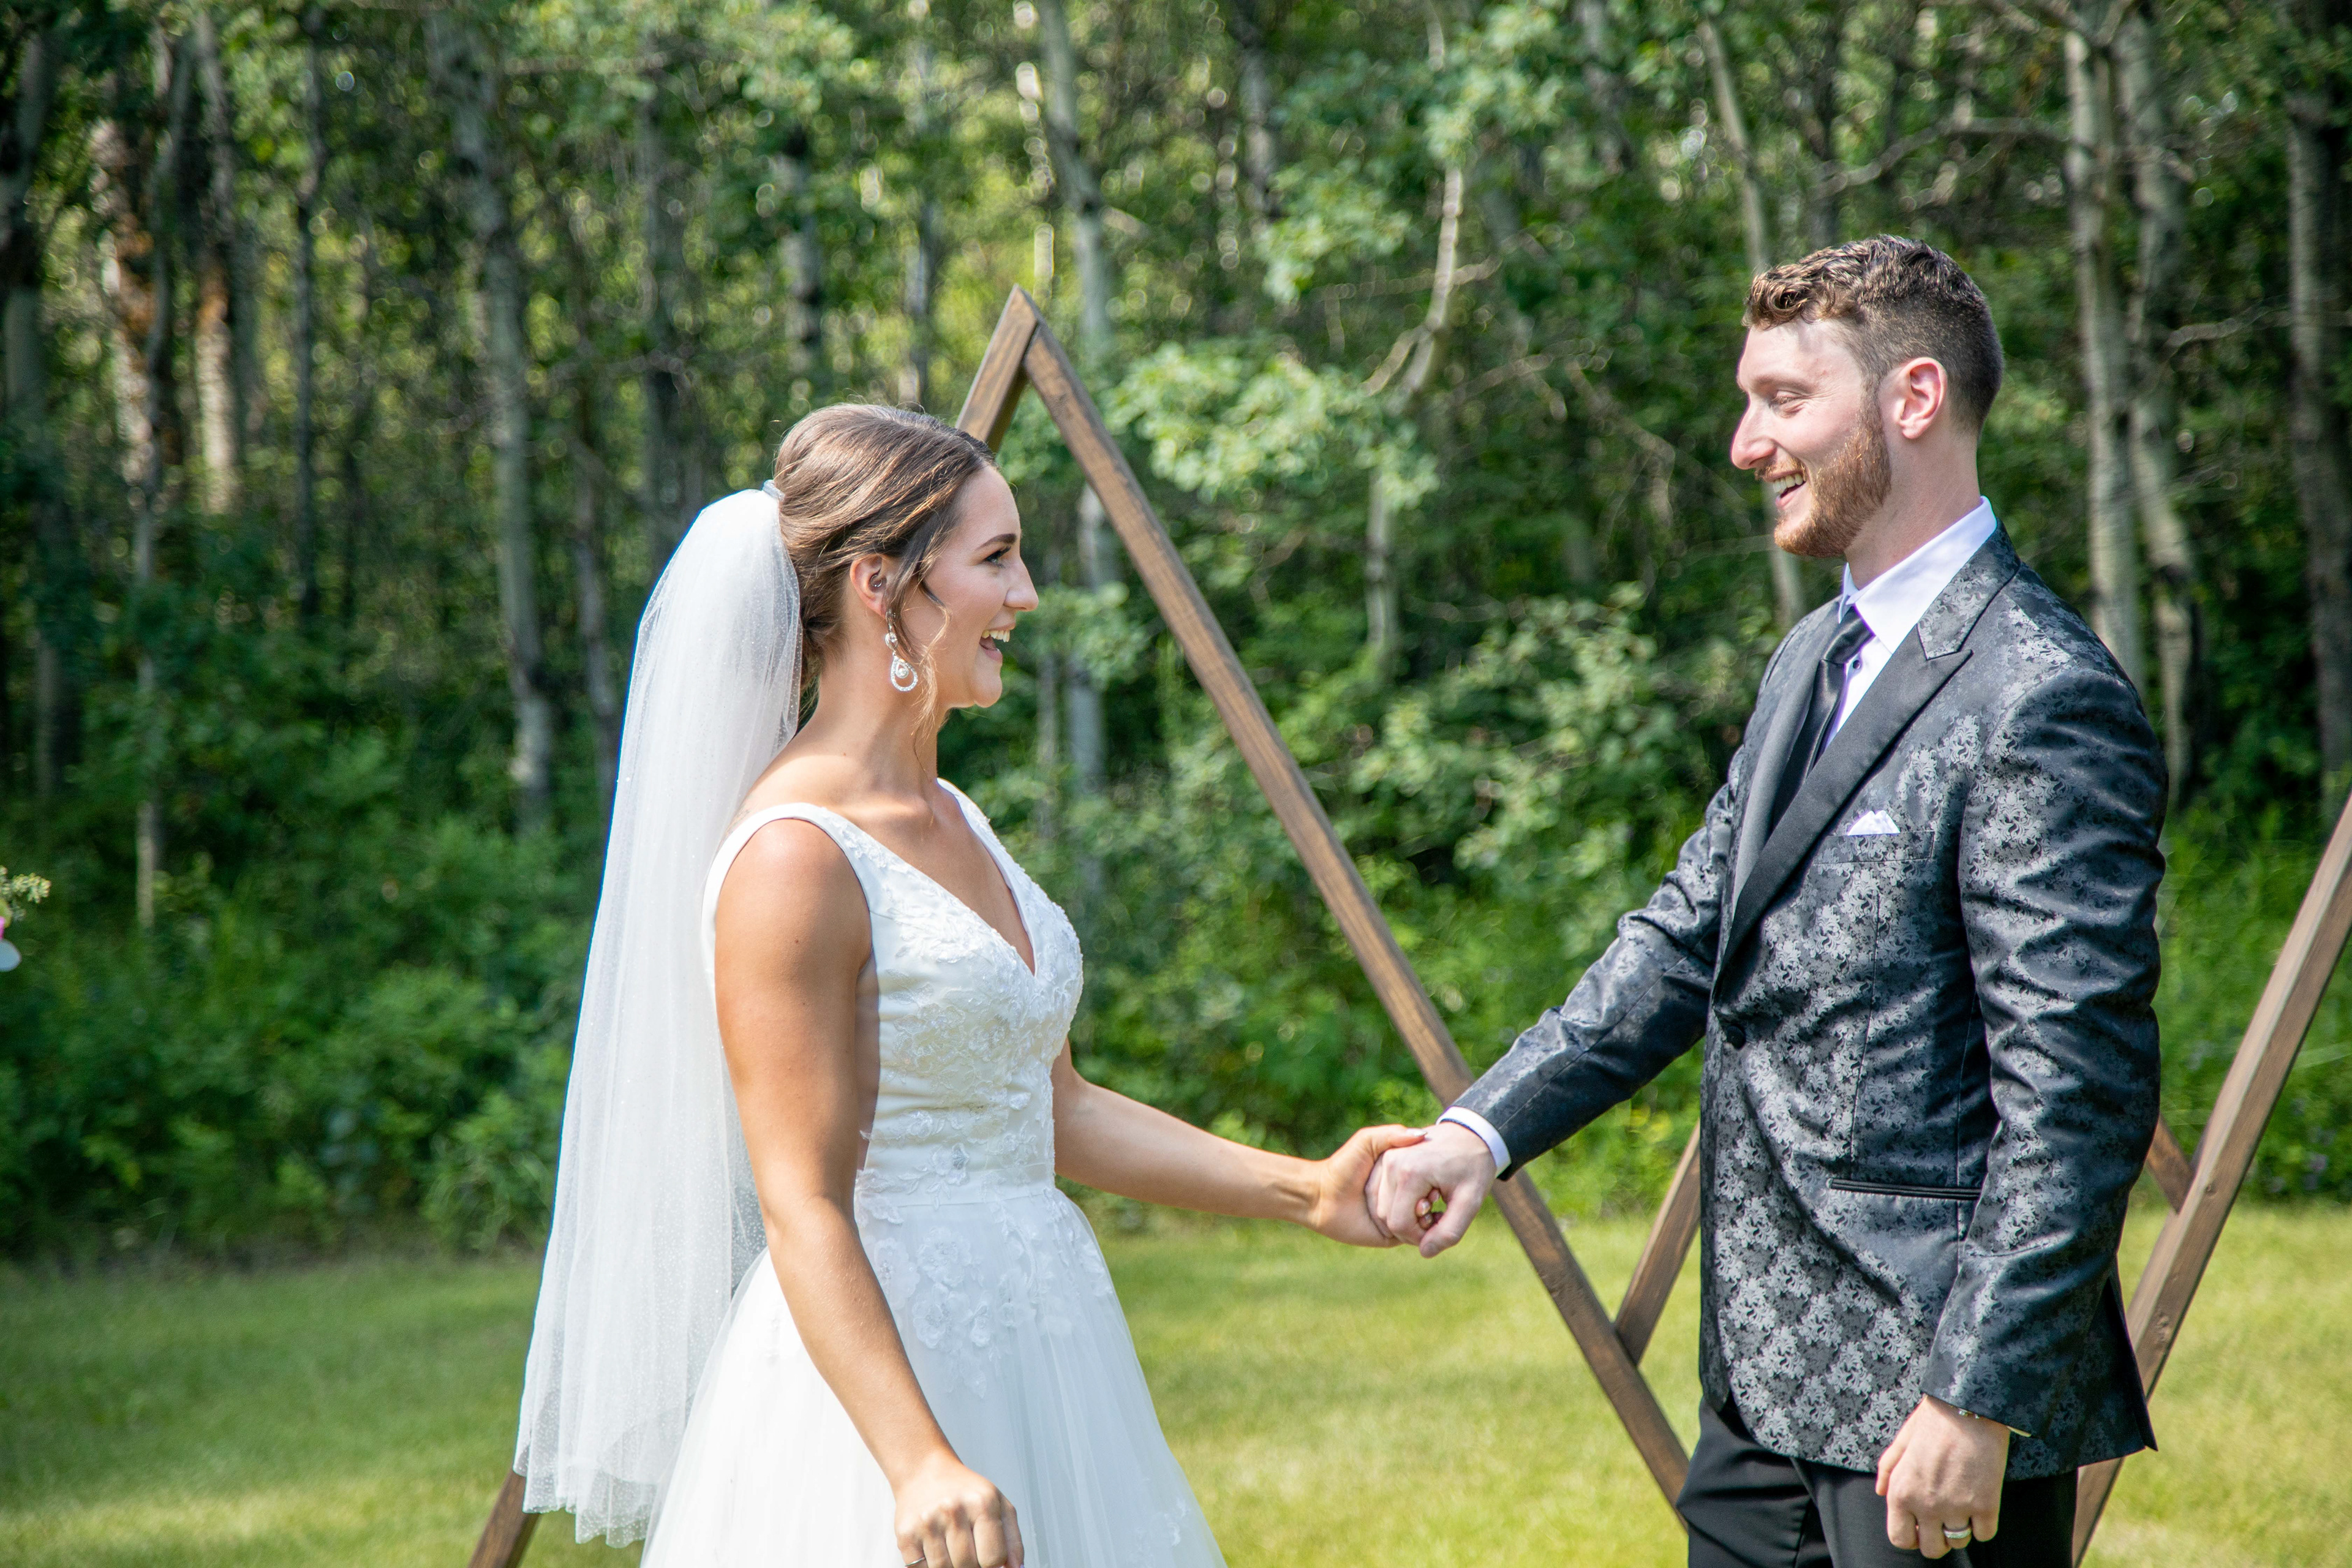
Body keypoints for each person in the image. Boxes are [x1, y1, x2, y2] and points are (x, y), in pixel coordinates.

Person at [1365, 236, 2163, 1567]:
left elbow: (2078, 1090)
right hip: (1755, 1387)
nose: (1746, 443)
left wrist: (1977, 1393)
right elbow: (1688, 935)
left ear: (1914, 398)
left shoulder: (2043, 693)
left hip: (1927, 1403)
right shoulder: (1809, 658)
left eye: (1785, 399)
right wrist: (1481, 1131)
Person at [512, 404, 1419, 1568]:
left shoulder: (957, 816)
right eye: (996, 559)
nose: (1026, 595)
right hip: (880, 1396)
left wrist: (1308, 1190)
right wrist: (917, 1462)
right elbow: (802, 1204)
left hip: (1044, 1346)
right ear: (883, 587)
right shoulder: (794, 859)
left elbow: (1054, 1107)